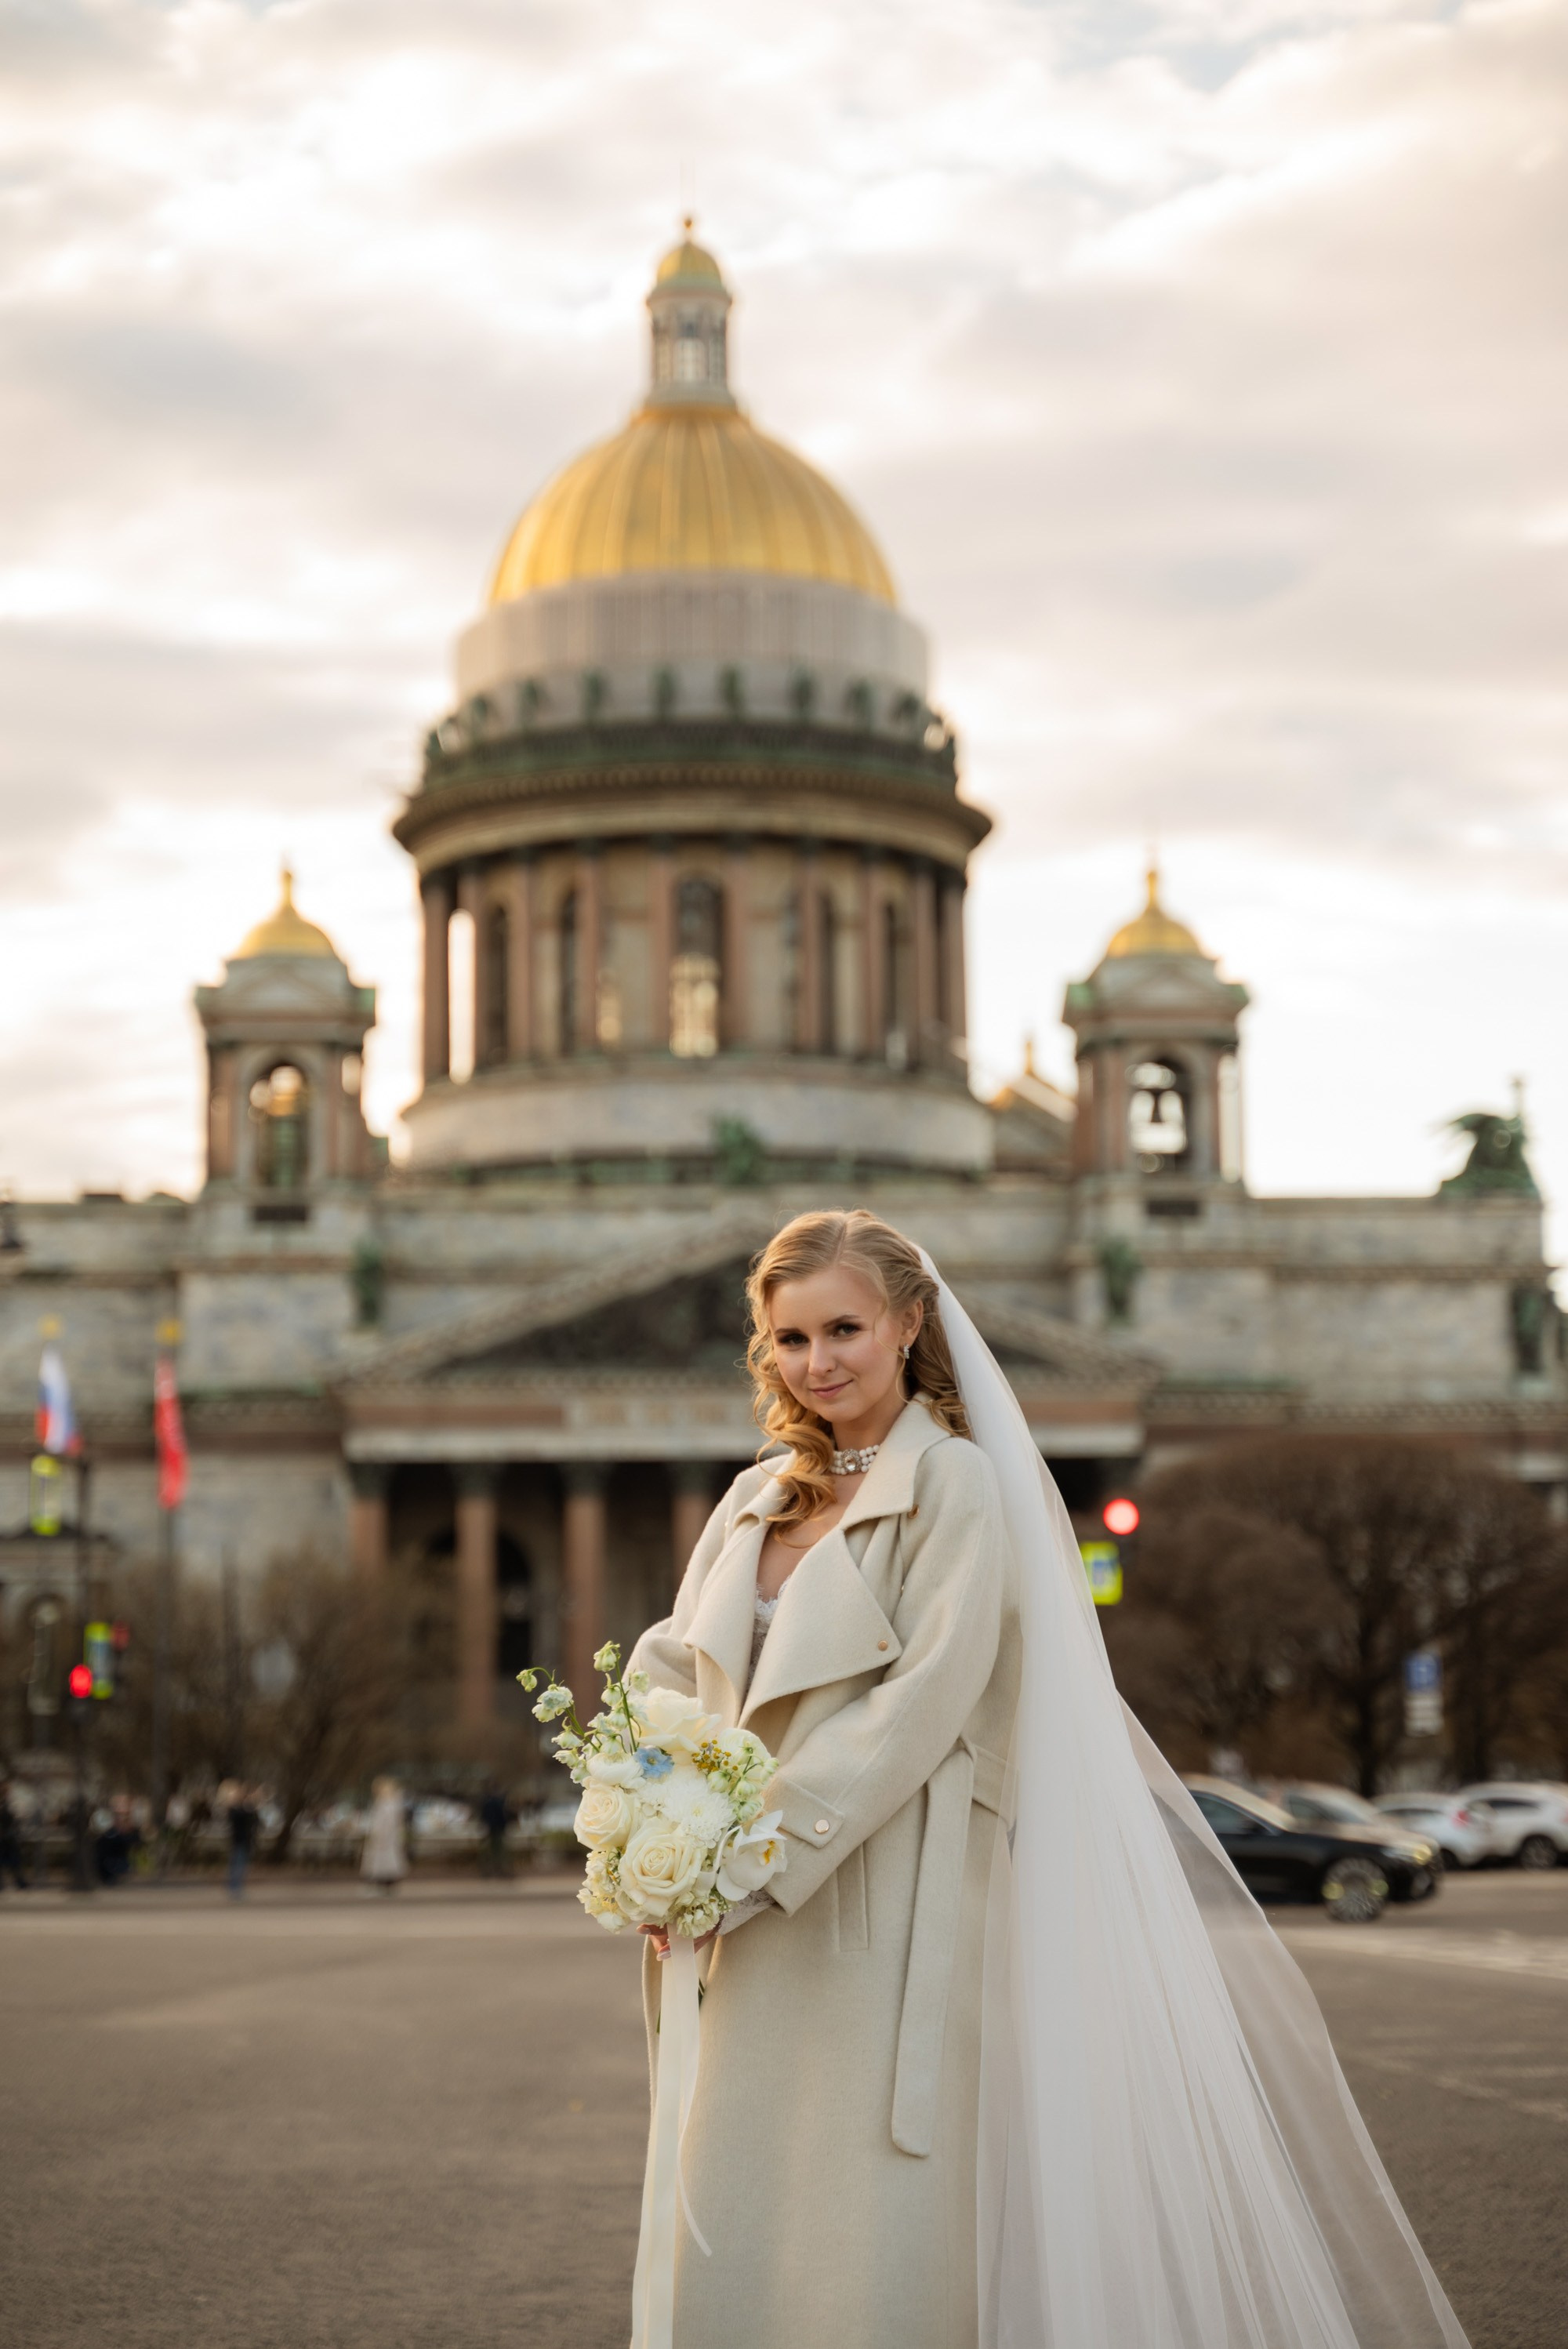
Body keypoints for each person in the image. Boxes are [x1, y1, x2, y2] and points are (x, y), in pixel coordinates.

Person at [625, 1208, 1472, 2349]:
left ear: (907, 1324)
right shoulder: (754, 1496)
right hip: (738, 1913)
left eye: (843, 1329)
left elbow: (921, 1702)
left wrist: (744, 1855)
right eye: (790, 1338)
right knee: (732, 2212)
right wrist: (640, 1817)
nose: (816, 1361)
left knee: (863, 2238)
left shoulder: (957, 1483)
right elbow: (673, 1666)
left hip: (874, 1898)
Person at [361, 1777, 407, 1893]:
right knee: (385, 1861)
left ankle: (384, 1883)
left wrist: (381, 1835)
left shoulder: (387, 1804)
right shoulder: (392, 1803)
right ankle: (385, 1884)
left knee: (384, 1861)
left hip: (384, 1836)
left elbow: (385, 1822)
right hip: (387, 1836)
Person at [224, 1782, 259, 1899]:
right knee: (237, 1866)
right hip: (238, 1840)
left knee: (241, 1865)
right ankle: (234, 1888)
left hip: (244, 1841)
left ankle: (237, 1887)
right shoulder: (235, 1810)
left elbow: (254, 1819)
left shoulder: (245, 1810)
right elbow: (242, 1817)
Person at [478, 1781, 510, 1879]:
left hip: (491, 1829)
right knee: (497, 1851)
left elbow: (484, 1817)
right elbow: (502, 1817)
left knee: (493, 1851)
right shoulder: (497, 1802)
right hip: (496, 1829)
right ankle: (497, 1870)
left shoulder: (488, 1802)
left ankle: (491, 1871)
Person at [0, 1781, 29, 1890]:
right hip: (5, 1837)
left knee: (14, 1860)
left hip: (9, 1836)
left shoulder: (9, 1803)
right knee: (11, 1860)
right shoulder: (5, 1804)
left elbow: (15, 1818)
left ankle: (20, 1882)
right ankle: (19, 1882)